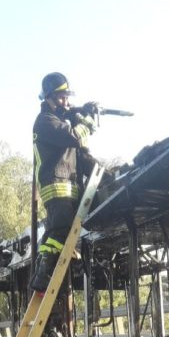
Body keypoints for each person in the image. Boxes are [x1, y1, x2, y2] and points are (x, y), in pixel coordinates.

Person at [30, 72, 98, 292]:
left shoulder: (58, 121)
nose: (65, 102)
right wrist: (87, 121)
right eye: (60, 97)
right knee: (60, 231)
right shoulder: (45, 122)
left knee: (55, 233)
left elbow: (78, 152)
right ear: (47, 97)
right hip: (57, 187)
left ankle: (42, 275)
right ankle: (43, 276)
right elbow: (75, 137)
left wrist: (80, 113)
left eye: (67, 97)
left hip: (65, 186)